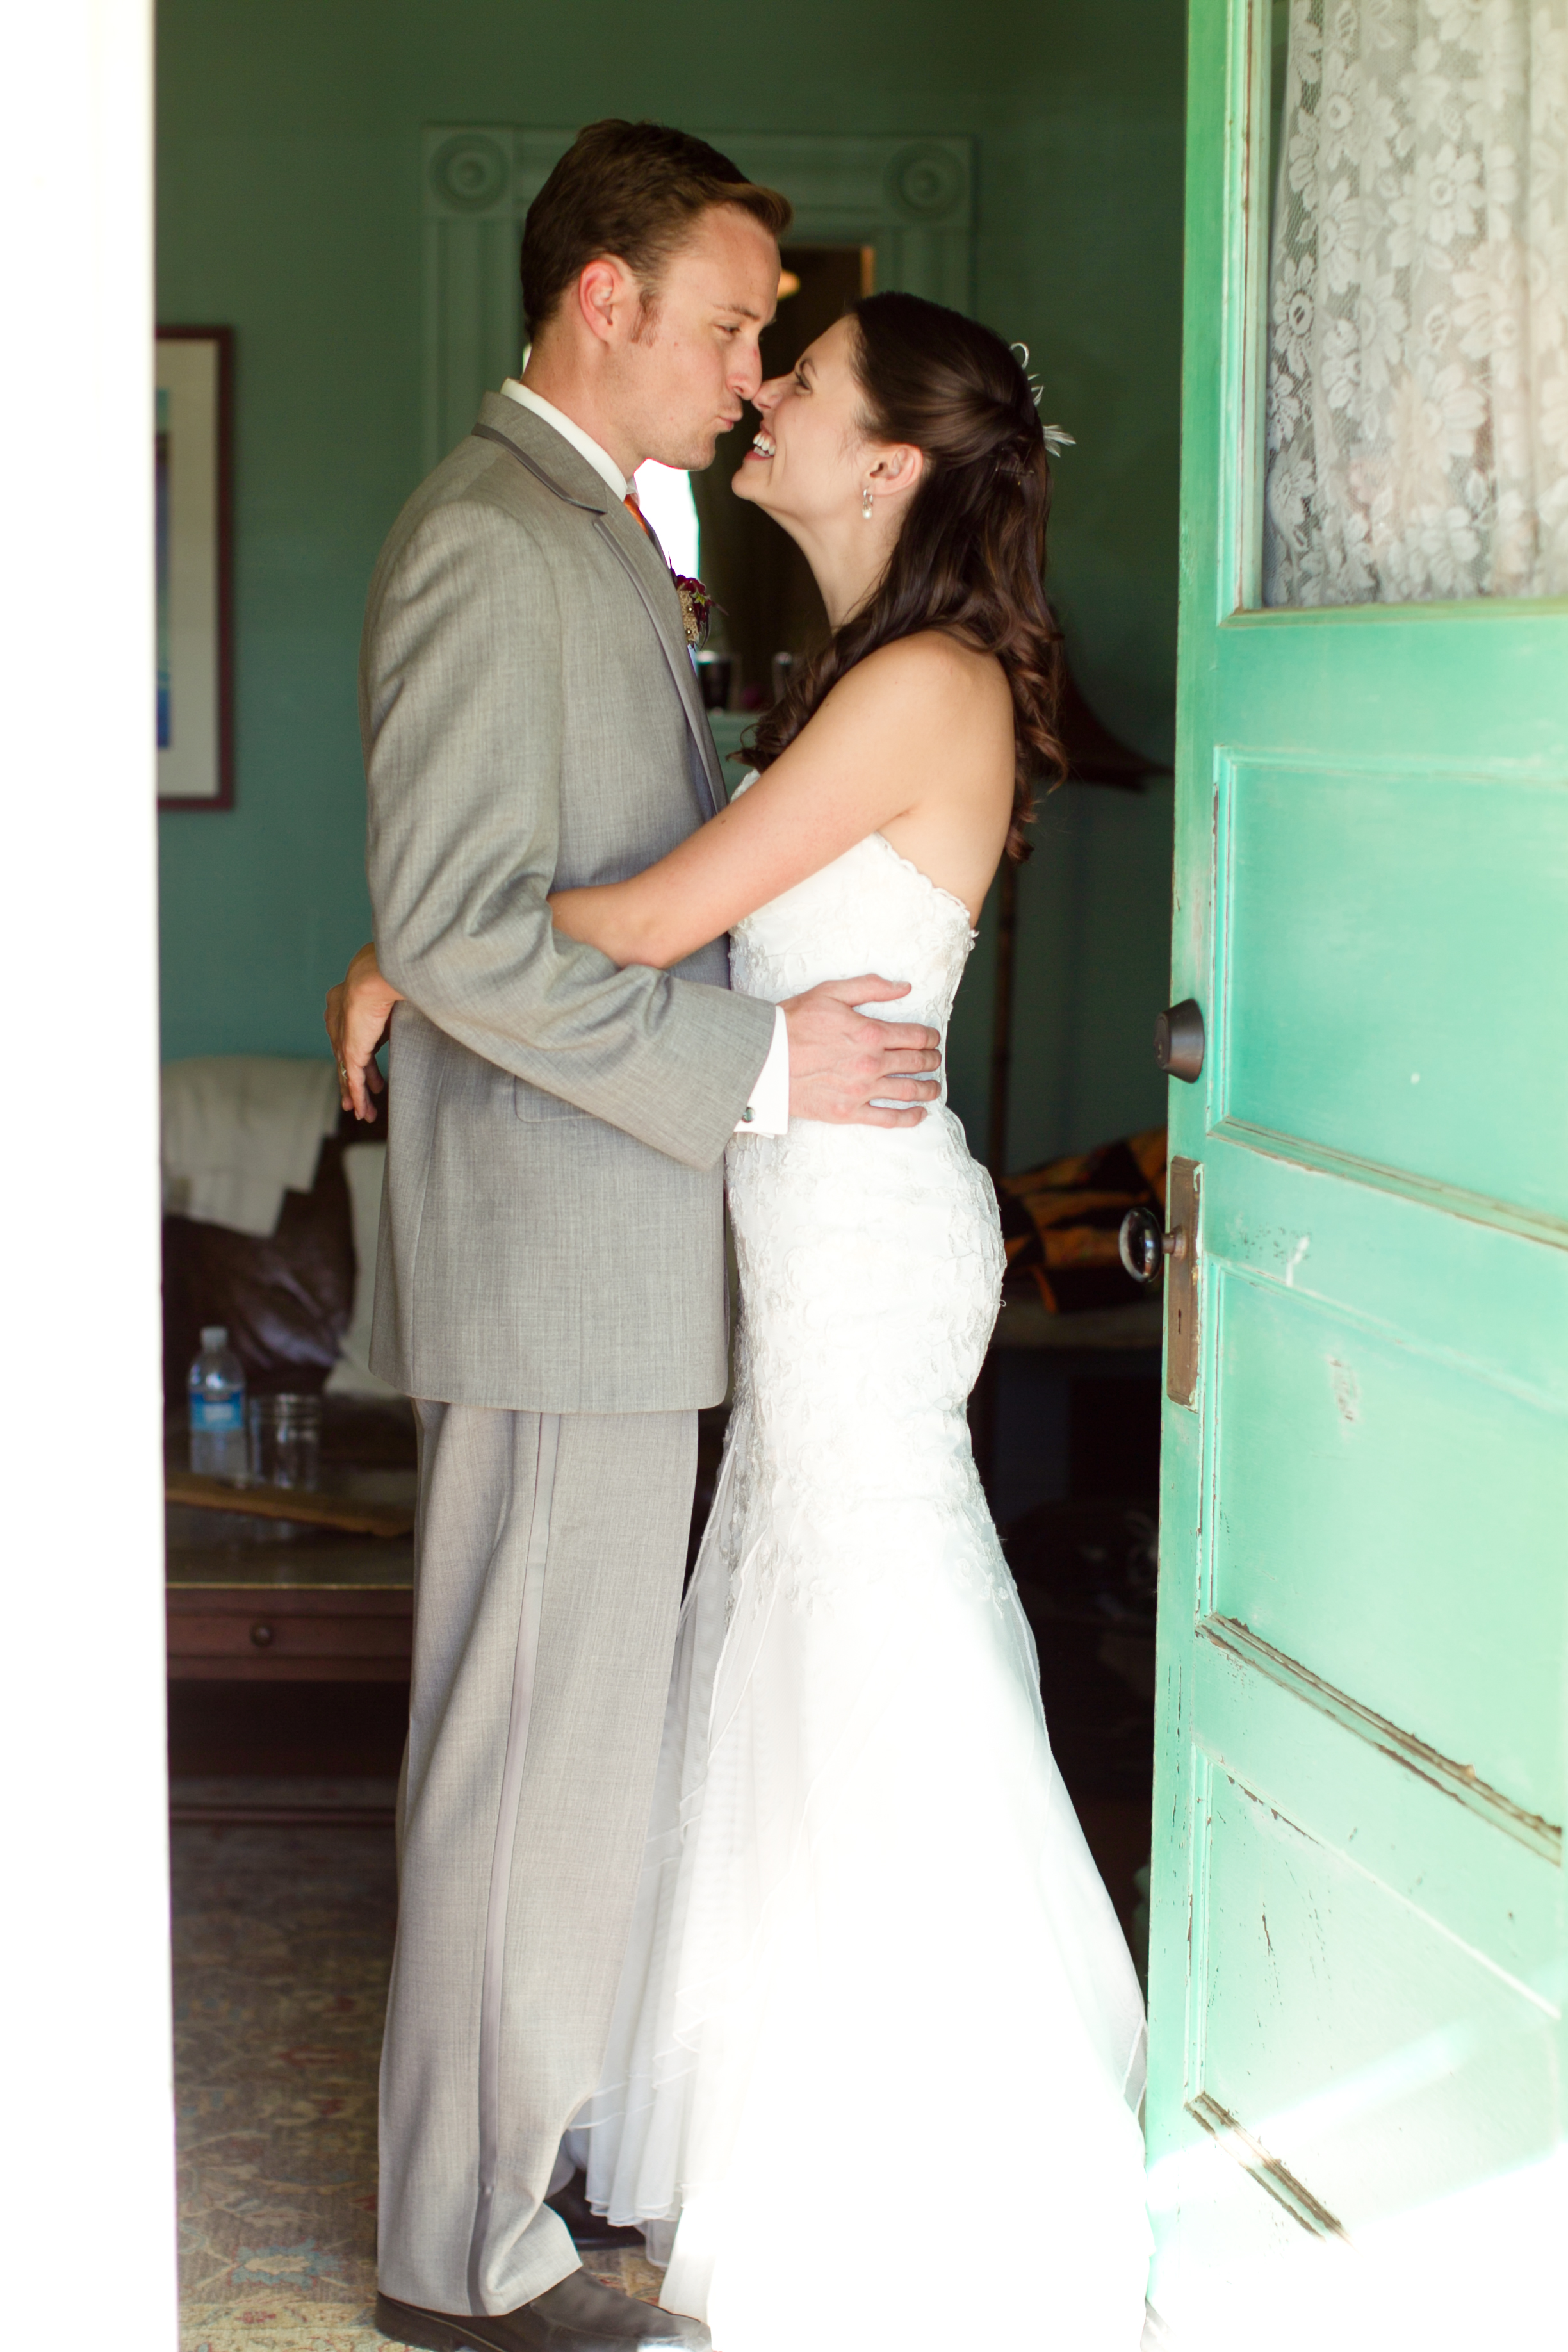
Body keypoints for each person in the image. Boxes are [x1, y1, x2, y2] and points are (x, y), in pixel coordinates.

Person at [337, 291, 1152, 2350]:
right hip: (805, 1219)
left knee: (859, 1627)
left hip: (863, 1240)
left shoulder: (922, 689)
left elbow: (651, 921)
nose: (761, 394)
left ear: (889, 463)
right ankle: (781, 2109)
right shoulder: (866, 674)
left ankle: (911, 2148)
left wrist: (404, 957)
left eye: (802, 382)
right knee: (784, 1626)